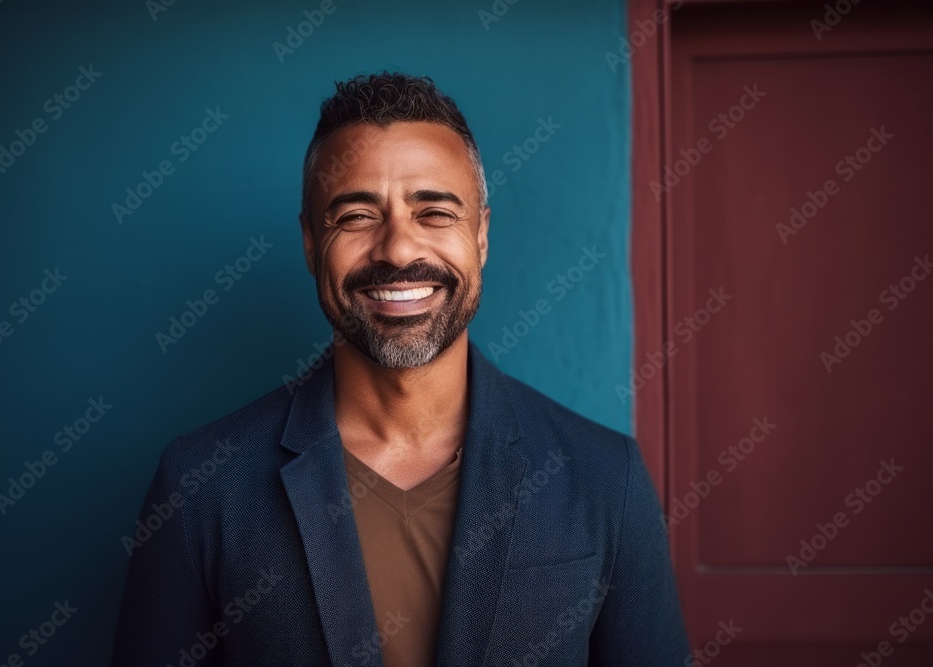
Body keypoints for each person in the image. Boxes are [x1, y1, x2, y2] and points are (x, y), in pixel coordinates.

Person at [112, 71, 690, 666]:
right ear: (311, 243)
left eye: (434, 212)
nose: (398, 250)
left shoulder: (604, 478)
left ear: (482, 235)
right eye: (357, 216)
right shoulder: (202, 484)